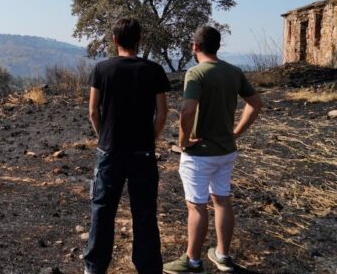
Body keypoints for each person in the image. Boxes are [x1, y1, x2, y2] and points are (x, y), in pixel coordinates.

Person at [163, 26, 263, 274]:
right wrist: (237, 132)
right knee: (222, 200)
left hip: (200, 154)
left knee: (196, 205)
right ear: (217, 47)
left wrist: (184, 140)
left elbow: (187, 110)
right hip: (226, 151)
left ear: (195, 47)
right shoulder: (234, 72)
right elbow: (255, 103)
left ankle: (193, 261)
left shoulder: (196, 73)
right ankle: (222, 255)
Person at [83, 18, 170, 274]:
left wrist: (103, 138)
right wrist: (150, 139)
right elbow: (162, 114)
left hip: (110, 150)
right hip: (142, 152)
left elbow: (92, 112)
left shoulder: (101, 69)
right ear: (139, 40)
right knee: (144, 212)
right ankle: (148, 267)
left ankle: (94, 267)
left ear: (114, 40)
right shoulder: (154, 70)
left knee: (102, 209)